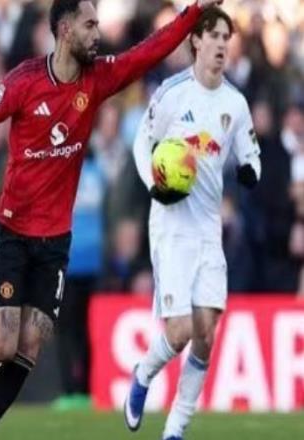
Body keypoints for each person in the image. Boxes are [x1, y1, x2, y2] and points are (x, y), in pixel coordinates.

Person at [0, 1, 222, 439]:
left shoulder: (97, 80)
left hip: (55, 243)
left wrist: (194, 12)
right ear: (64, 29)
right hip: (12, 234)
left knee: (27, 351)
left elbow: (148, 52)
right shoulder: (26, 80)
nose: (97, 34)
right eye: (89, 25)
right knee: (0, 345)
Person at [126, 7, 261, 440]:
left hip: (207, 229)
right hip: (171, 225)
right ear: (196, 42)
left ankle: (175, 430)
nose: (221, 44)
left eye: (226, 37)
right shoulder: (172, 93)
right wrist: (154, 184)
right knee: (180, 330)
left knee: (205, 335)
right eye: (213, 35)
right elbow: (141, 143)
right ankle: (143, 374)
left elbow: (251, 154)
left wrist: (250, 171)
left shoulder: (235, 104)